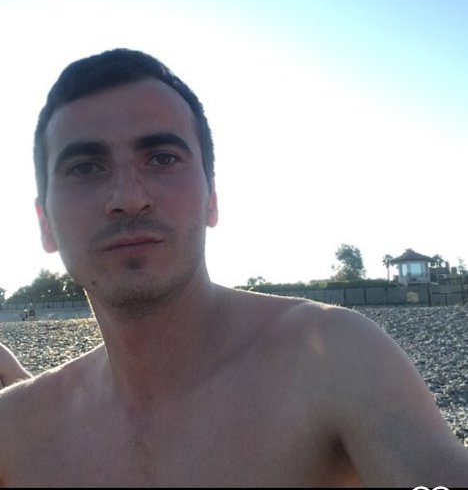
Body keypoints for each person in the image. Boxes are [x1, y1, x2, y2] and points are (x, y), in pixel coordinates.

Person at [0, 48, 466, 488]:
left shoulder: (334, 361)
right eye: (85, 168)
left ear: (212, 200)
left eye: (162, 159)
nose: (129, 198)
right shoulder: (16, 432)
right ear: (45, 224)